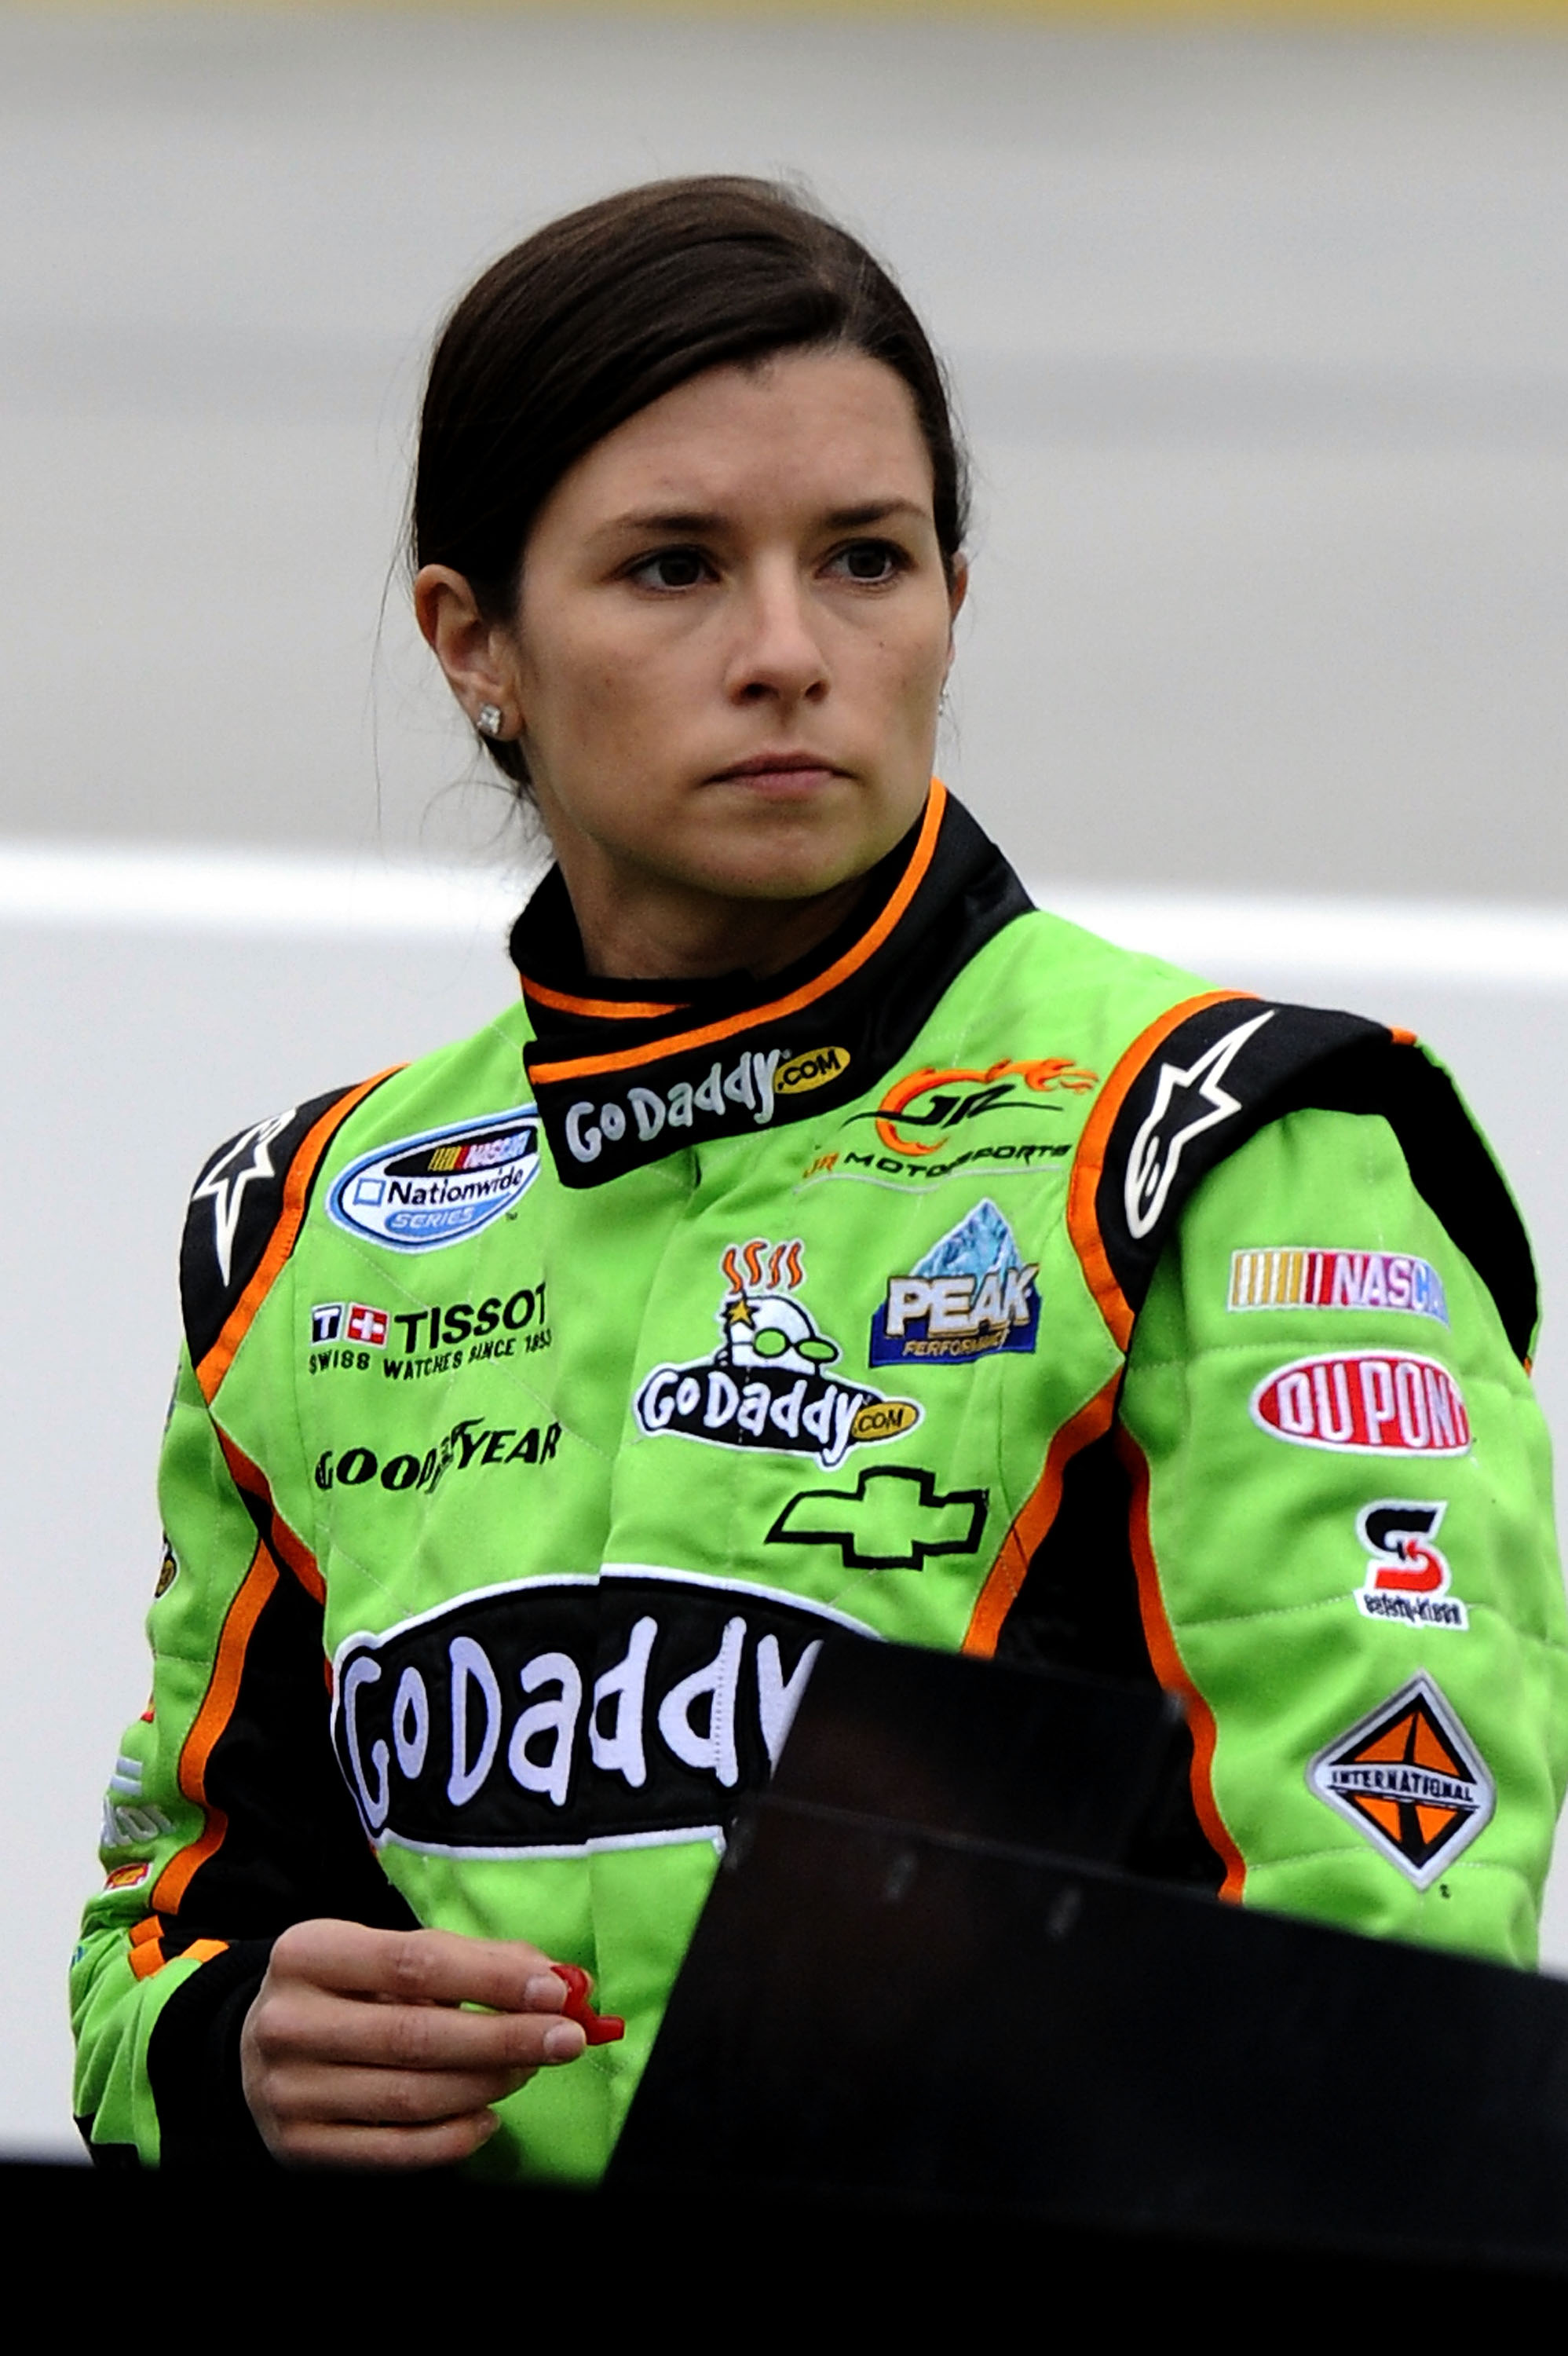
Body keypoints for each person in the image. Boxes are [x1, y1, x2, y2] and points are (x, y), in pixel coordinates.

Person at [72, 177, 1568, 2180]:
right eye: (675, 568)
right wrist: (232, 2048)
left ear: (954, 598)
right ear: (475, 641)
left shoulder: (1223, 1146)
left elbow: (1385, 1970)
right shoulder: (303, 1224)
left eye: (865, 559)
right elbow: (158, 1926)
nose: (789, 653)